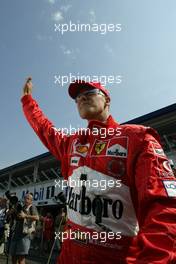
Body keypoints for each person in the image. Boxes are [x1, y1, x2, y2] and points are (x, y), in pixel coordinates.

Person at [21, 77, 176, 263]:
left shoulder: (138, 138)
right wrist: (28, 100)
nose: (82, 99)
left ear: (107, 100)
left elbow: (164, 211)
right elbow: (44, 128)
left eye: (89, 93)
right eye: (77, 97)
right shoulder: (72, 143)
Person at [9, 193, 39, 264]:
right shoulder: (21, 207)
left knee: (21, 258)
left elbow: (37, 217)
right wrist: (13, 212)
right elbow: (18, 218)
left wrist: (25, 215)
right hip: (16, 233)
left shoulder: (32, 207)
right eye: (25, 198)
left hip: (24, 236)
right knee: (13, 256)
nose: (26, 199)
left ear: (31, 201)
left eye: (28, 198)